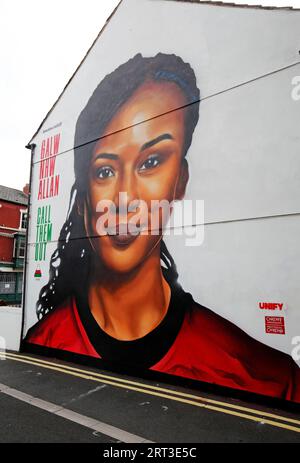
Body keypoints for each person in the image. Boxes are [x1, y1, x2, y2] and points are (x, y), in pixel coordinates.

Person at [25, 53, 300, 402]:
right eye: (105, 171)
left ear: (180, 181)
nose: (125, 198)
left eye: (151, 162)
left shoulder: (268, 379)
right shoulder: (44, 341)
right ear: (83, 203)